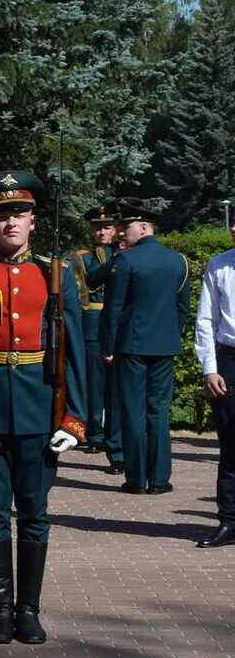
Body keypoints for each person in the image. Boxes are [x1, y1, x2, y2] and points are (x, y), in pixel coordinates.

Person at [0, 171, 87, 645]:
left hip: (39, 405)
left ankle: (29, 611)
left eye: (19, 213)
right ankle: (0, 611)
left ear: (33, 222)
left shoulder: (56, 273)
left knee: (34, 512)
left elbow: (75, 351)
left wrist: (76, 416)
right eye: (1, 214)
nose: (11, 221)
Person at [100, 197, 191, 495]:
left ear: (143, 226)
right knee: (158, 410)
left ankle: (137, 479)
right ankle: (160, 478)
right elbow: (182, 308)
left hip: (131, 346)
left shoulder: (126, 260)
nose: (121, 231)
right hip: (165, 345)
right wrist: (169, 335)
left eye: (126, 226)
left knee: (133, 410)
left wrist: (108, 345)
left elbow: (113, 308)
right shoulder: (178, 261)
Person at [70, 203, 124, 473]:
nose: (102, 231)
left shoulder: (125, 254)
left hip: (118, 323)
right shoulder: (82, 257)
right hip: (92, 322)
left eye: (107, 226)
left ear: (116, 229)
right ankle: (94, 433)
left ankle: (115, 439)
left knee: (115, 388)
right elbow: (82, 291)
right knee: (93, 382)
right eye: (97, 227)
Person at [193, 219, 235, 548]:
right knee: (230, 446)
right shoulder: (219, 265)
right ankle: (229, 520)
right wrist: (210, 367)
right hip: (230, 359)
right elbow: (206, 320)